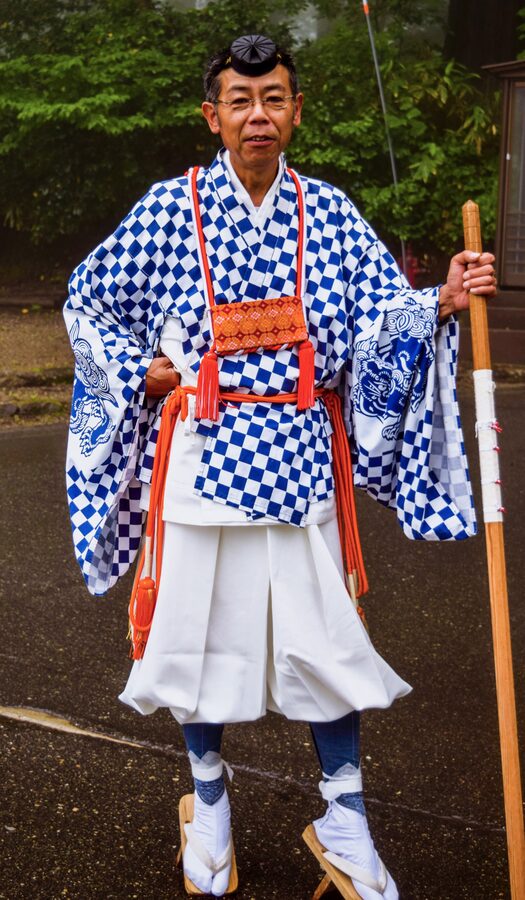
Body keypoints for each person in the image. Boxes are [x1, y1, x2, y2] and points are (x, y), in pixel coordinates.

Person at [63, 34, 497, 899]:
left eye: (272, 98)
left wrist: (440, 298)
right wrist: (136, 368)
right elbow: (86, 301)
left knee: (322, 643)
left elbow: (384, 319)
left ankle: (343, 814)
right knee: (192, 641)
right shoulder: (165, 209)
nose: (256, 114)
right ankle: (210, 801)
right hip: (199, 457)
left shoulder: (330, 215)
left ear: (296, 110)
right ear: (212, 116)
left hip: (299, 457)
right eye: (239, 99)